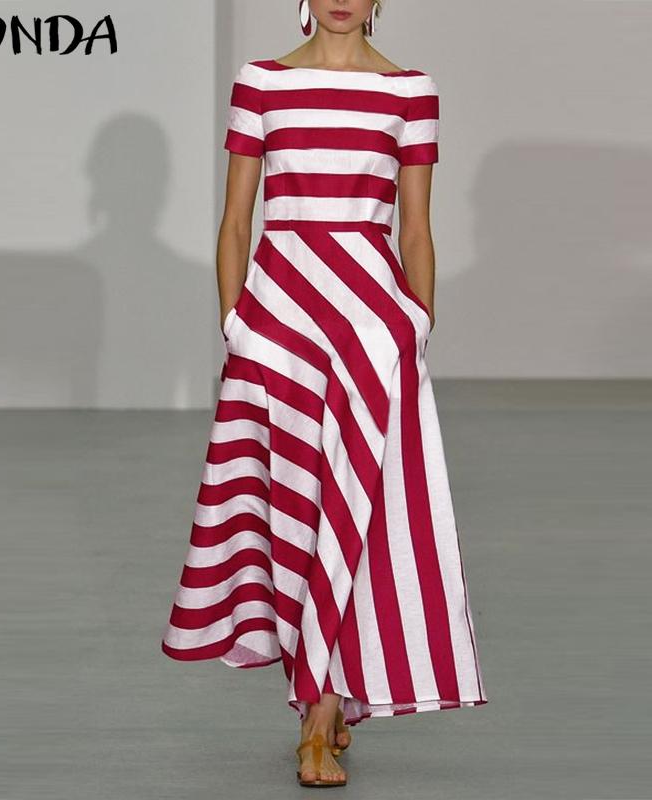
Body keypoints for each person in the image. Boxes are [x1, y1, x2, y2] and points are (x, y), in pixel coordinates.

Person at [162, 0, 488, 787]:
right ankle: (321, 693)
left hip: (371, 329)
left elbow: (416, 229)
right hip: (279, 323)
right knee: (294, 508)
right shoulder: (262, 82)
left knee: (359, 513)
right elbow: (237, 218)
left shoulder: (410, 90)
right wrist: (236, 322)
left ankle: (319, 714)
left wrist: (415, 325)